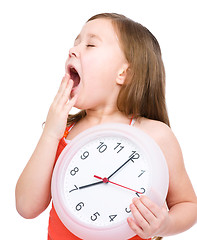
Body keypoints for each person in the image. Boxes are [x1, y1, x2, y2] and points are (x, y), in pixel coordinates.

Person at [15, 13, 197, 240]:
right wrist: (50, 133)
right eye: (76, 42)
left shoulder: (155, 135)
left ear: (123, 73)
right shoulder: (62, 132)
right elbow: (26, 206)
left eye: (90, 44)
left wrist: (165, 224)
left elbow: (187, 204)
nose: (74, 50)